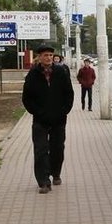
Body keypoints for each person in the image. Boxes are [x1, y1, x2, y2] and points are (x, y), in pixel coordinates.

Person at [22, 42, 74, 194]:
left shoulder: (61, 72)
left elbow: (69, 93)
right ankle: (44, 182)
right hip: (40, 120)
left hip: (58, 119)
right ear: (39, 57)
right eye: (46, 55)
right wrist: (36, 112)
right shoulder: (33, 74)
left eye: (51, 55)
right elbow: (26, 98)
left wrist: (64, 110)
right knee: (41, 150)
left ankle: (55, 173)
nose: (49, 58)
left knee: (58, 148)